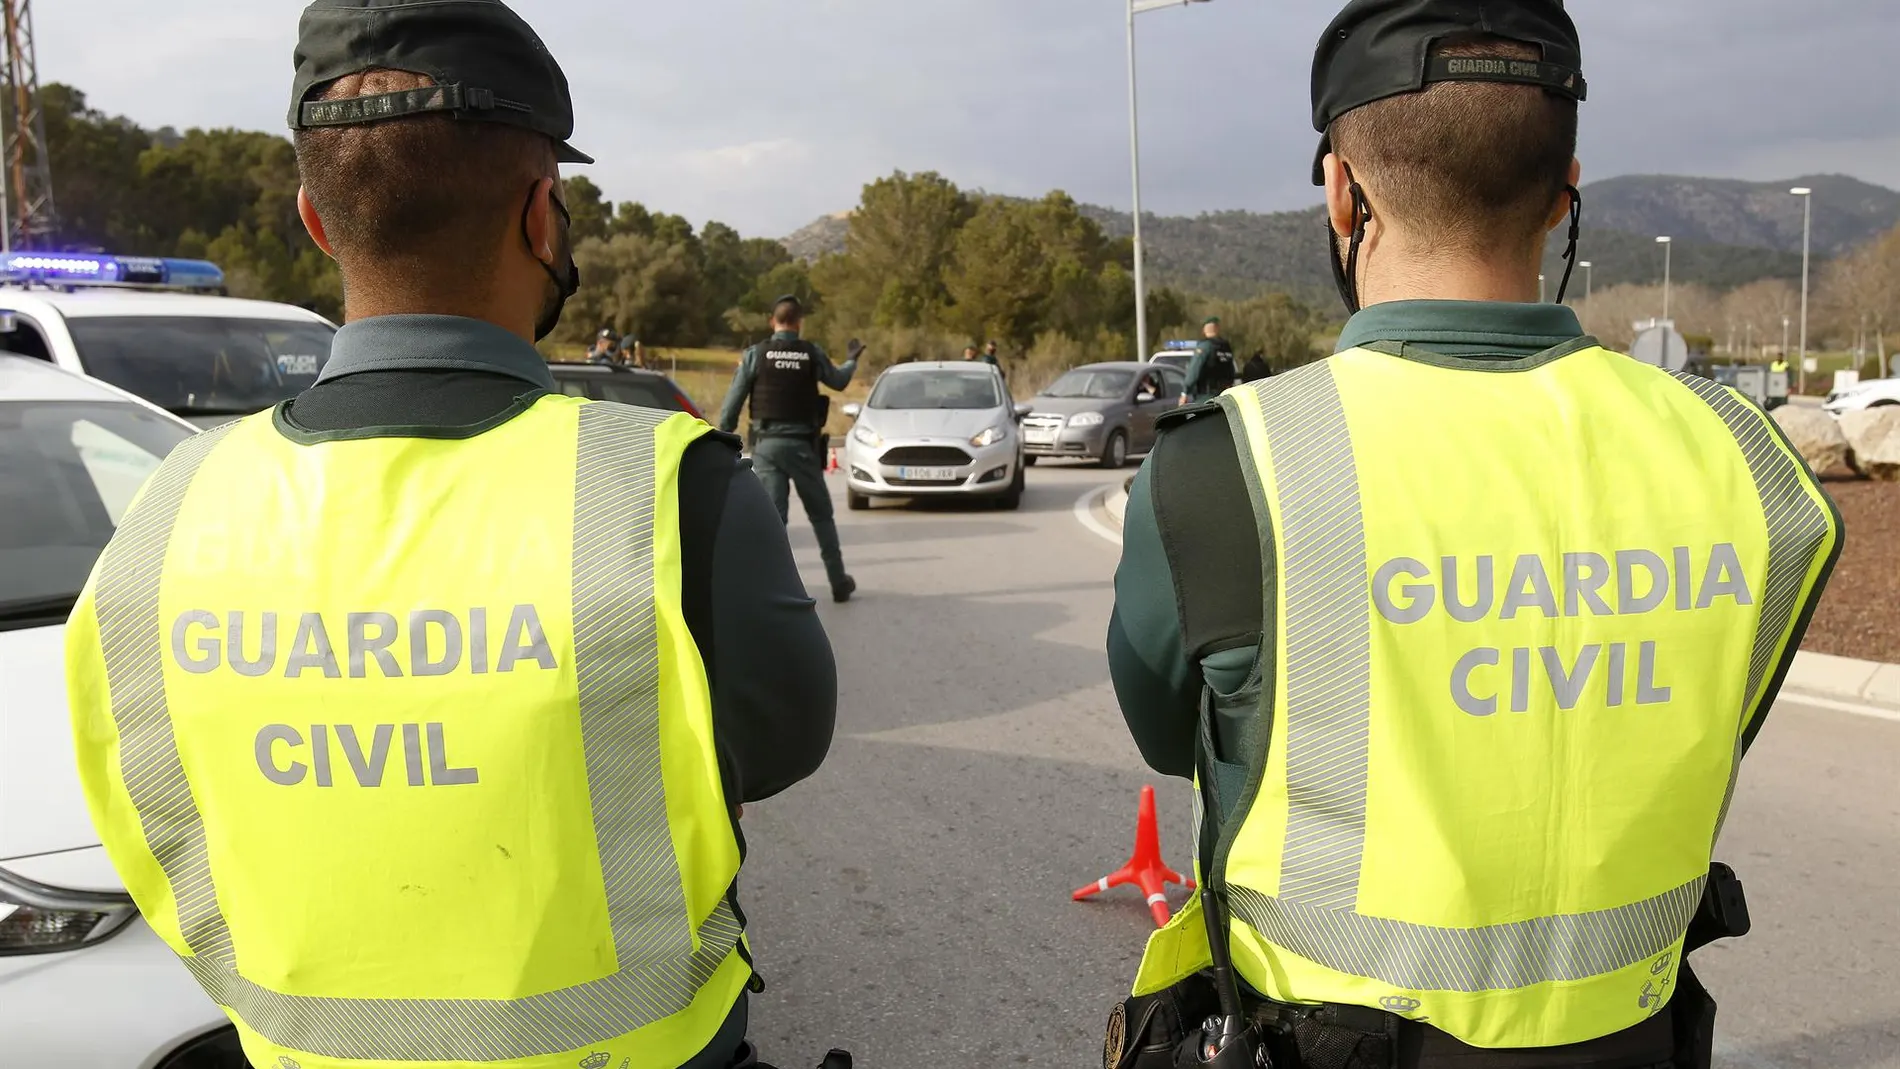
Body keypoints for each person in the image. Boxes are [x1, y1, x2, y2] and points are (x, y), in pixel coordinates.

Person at [64, 4, 838, 1069]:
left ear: (317, 220)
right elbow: (784, 743)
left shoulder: (164, 512)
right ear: (540, 219)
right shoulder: (668, 491)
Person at [1105, 2, 1842, 1067]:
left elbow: (1172, 735)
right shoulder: (1750, 466)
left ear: (1341, 191)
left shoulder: (1229, 467)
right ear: (1563, 195)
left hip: (1324, 1044)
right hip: (1636, 1039)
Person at [718, 296, 860, 603]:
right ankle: (838, 581)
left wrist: (722, 438)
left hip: (767, 447)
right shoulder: (811, 354)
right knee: (821, 516)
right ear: (799, 323)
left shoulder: (756, 355)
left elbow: (732, 405)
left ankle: (768, 589)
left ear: (773, 321)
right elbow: (838, 381)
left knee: (773, 520)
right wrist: (851, 359)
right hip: (803, 448)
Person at [1179, 316, 1237, 404]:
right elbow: (1231, 370)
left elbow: (1193, 371)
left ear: (1204, 330)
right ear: (1217, 328)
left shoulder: (1205, 346)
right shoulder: (1226, 347)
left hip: (1206, 397)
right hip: (1225, 396)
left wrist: (1185, 392)